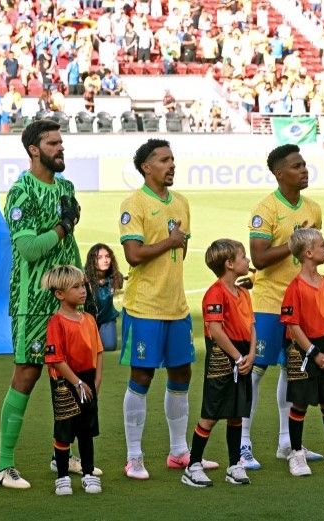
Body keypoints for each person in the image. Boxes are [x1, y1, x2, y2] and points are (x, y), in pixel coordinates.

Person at [0, 120, 83, 490]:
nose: (61, 148)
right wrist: (61, 227)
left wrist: (81, 285)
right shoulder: (20, 192)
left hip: (66, 302)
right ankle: (2, 465)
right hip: (33, 301)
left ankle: (61, 453)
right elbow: (28, 249)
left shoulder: (66, 187)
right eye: (53, 143)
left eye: (62, 142)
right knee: (27, 376)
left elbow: (68, 244)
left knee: (68, 376)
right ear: (34, 149)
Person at [119, 139, 206, 480]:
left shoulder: (181, 203)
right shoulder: (134, 203)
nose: (171, 164)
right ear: (146, 167)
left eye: (173, 158)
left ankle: (178, 451)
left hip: (176, 306)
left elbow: (180, 254)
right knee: (142, 377)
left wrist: (174, 246)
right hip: (144, 307)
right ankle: (134, 457)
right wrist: (170, 241)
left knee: (181, 374)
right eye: (163, 160)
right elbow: (133, 255)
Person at [245, 144, 324, 469]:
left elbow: (313, 254)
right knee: (255, 371)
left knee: (293, 372)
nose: (303, 170)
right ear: (280, 173)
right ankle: (243, 444)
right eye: (296, 166)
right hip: (269, 303)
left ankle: (287, 442)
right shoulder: (265, 209)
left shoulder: (314, 209)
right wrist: (293, 241)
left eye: (304, 164)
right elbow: (259, 258)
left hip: (301, 305)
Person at [183, 239, 257, 487]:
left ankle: (234, 464)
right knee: (211, 413)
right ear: (229, 264)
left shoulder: (244, 293)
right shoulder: (215, 293)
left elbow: (252, 326)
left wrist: (252, 354)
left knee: (237, 413)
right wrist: (237, 356)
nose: (248, 261)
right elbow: (215, 330)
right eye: (243, 257)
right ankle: (193, 465)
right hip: (223, 360)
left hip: (243, 356)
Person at [279, 228, 324, 476]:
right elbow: (292, 324)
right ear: (308, 253)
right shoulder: (295, 288)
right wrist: (313, 352)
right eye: (322, 245)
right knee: (299, 402)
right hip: (302, 350)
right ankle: (296, 454)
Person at [42, 265, 104, 495]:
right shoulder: (56, 323)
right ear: (60, 294)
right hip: (65, 383)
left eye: (83, 285)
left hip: (87, 380)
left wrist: (96, 380)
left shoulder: (88, 319)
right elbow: (56, 359)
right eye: (75, 287)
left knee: (86, 430)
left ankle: (88, 473)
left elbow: (98, 350)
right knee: (64, 431)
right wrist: (76, 383)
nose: (83, 291)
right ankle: (63, 477)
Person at [83, 243, 123, 352]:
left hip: (107, 318)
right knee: (87, 348)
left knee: (110, 346)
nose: (105, 260)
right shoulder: (83, 277)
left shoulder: (116, 277)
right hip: (88, 320)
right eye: (99, 257)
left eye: (107, 256)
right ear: (92, 260)